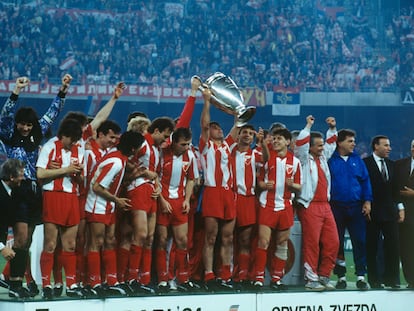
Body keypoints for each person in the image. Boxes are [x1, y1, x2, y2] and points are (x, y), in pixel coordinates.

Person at [0, 74, 72, 296]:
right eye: (22, 123)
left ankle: (14, 279)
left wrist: (62, 90)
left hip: (34, 190)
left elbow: (52, 114)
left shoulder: (37, 132)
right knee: (20, 238)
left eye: (29, 125)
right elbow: (4, 116)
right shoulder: (9, 132)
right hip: (18, 188)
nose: (25, 128)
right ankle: (15, 283)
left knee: (28, 240)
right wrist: (15, 91)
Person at [85, 130, 144, 297]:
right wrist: (117, 200)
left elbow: (111, 182)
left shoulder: (119, 157)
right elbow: (96, 187)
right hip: (97, 204)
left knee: (110, 240)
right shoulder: (117, 162)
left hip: (108, 205)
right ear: (133, 149)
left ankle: (111, 281)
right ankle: (95, 282)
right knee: (96, 243)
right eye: (138, 148)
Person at [125, 117, 175, 294]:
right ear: (155, 131)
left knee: (150, 238)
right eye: (165, 136)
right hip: (138, 188)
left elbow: (157, 174)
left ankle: (144, 279)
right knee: (140, 234)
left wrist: (158, 185)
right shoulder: (142, 143)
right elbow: (126, 160)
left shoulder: (156, 149)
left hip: (151, 192)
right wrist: (144, 172)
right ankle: (131, 278)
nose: (165, 140)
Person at [36, 118, 85, 299]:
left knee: (70, 245)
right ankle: (46, 285)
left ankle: (70, 284)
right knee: (50, 244)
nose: (73, 143)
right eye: (71, 139)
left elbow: (81, 180)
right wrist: (65, 170)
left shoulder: (79, 149)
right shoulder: (50, 146)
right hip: (53, 196)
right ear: (63, 135)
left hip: (72, 197)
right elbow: (40, 173)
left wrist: (77, 174)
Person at [199, 87, 238, 291]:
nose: (218, 129)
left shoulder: (227, 145)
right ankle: (208, 274)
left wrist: (236, 109)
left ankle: (226, 274)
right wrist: (206, 102)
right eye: (215, 127)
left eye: (218, 127)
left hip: (227, 193)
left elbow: (237, 125)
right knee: (211, 237)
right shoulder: (206, 145)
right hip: (212, 191)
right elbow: (204, 124)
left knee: (228, 237)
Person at [253, 127, 302, 291]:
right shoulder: (267, 158)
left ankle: (276, 279)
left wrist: (292, 185)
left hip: (286, 207)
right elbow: (258, 182)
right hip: (267, 205)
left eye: (279, 139)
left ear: (288, 142)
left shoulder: (295, 162)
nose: (275, 141)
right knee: (263, 241)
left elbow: (299, 186)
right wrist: (263, 185)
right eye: (274, 139)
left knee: (282, 244)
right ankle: (259, 278)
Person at [294, 115, 339, 291]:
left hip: (325, 205)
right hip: (309, 204)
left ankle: (324, 275)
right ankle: (311, 278)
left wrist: (333, 128)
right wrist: (308, 126)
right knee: (312, 243)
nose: (323, 147)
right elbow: (300, 143)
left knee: (333, 241)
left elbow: (332, 143)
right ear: (310, 147)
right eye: (319, 145)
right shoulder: (303, 159)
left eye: (322, 144)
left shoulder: (322, 157)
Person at [155, 127, 199, 292]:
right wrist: (161, 199)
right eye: (183, 144)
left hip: (180, 203)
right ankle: (162, 279)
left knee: (182, 241)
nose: (186, 147)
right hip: (163, 203)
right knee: (161, 241)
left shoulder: (190, 156)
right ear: (173, 142)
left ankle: (182, 278)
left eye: (188, 144)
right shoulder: (161, 153)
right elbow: (154, 178)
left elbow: (191, 179)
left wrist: (187, 199)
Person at [328, 129, 372, 290]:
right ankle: (341, 277)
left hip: (356, 207)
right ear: (339, 143)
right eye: (350, 141)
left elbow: (365, 182)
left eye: (353, 141)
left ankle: (361, 276)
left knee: (359, 241)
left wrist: (367, 201)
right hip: (336, 207)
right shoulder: (331, 160)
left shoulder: (357, 160)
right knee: (337, 243)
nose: (354, 144)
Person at [229, 125, 268, 290]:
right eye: (244, 132)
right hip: (229, 197)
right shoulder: (228, 151)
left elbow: (266, 159)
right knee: (226, 239)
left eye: (251, 134)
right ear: (237, 134)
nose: (247, 135)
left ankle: (243, 275)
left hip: (247, 199)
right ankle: (226, 275)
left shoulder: (255, 154)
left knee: (244, 240)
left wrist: (262, 143)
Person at [363, 135, 401, 289]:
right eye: (385, 145)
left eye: (389, 145)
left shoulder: (392, 165)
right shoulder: (365, 163)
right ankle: (374, 280)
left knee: (393, 246)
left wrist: (400, 208)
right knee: (372, 246)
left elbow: (396, 190)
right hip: (371, 211)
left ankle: (392, 280)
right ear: (375, 146)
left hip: (390, 211)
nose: (389, 148)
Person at [0, 159, 28, 298]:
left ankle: (15, 286)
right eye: (21, 174)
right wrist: (1, 247)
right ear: (11, 177)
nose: (23, 178)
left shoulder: (12, 192)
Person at [393, 140, 414, 289]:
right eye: (413, 146)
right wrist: (399, 207)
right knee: (406, 249)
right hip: (403, 214)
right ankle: (410, 280)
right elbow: (393, 188)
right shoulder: (399, 164)